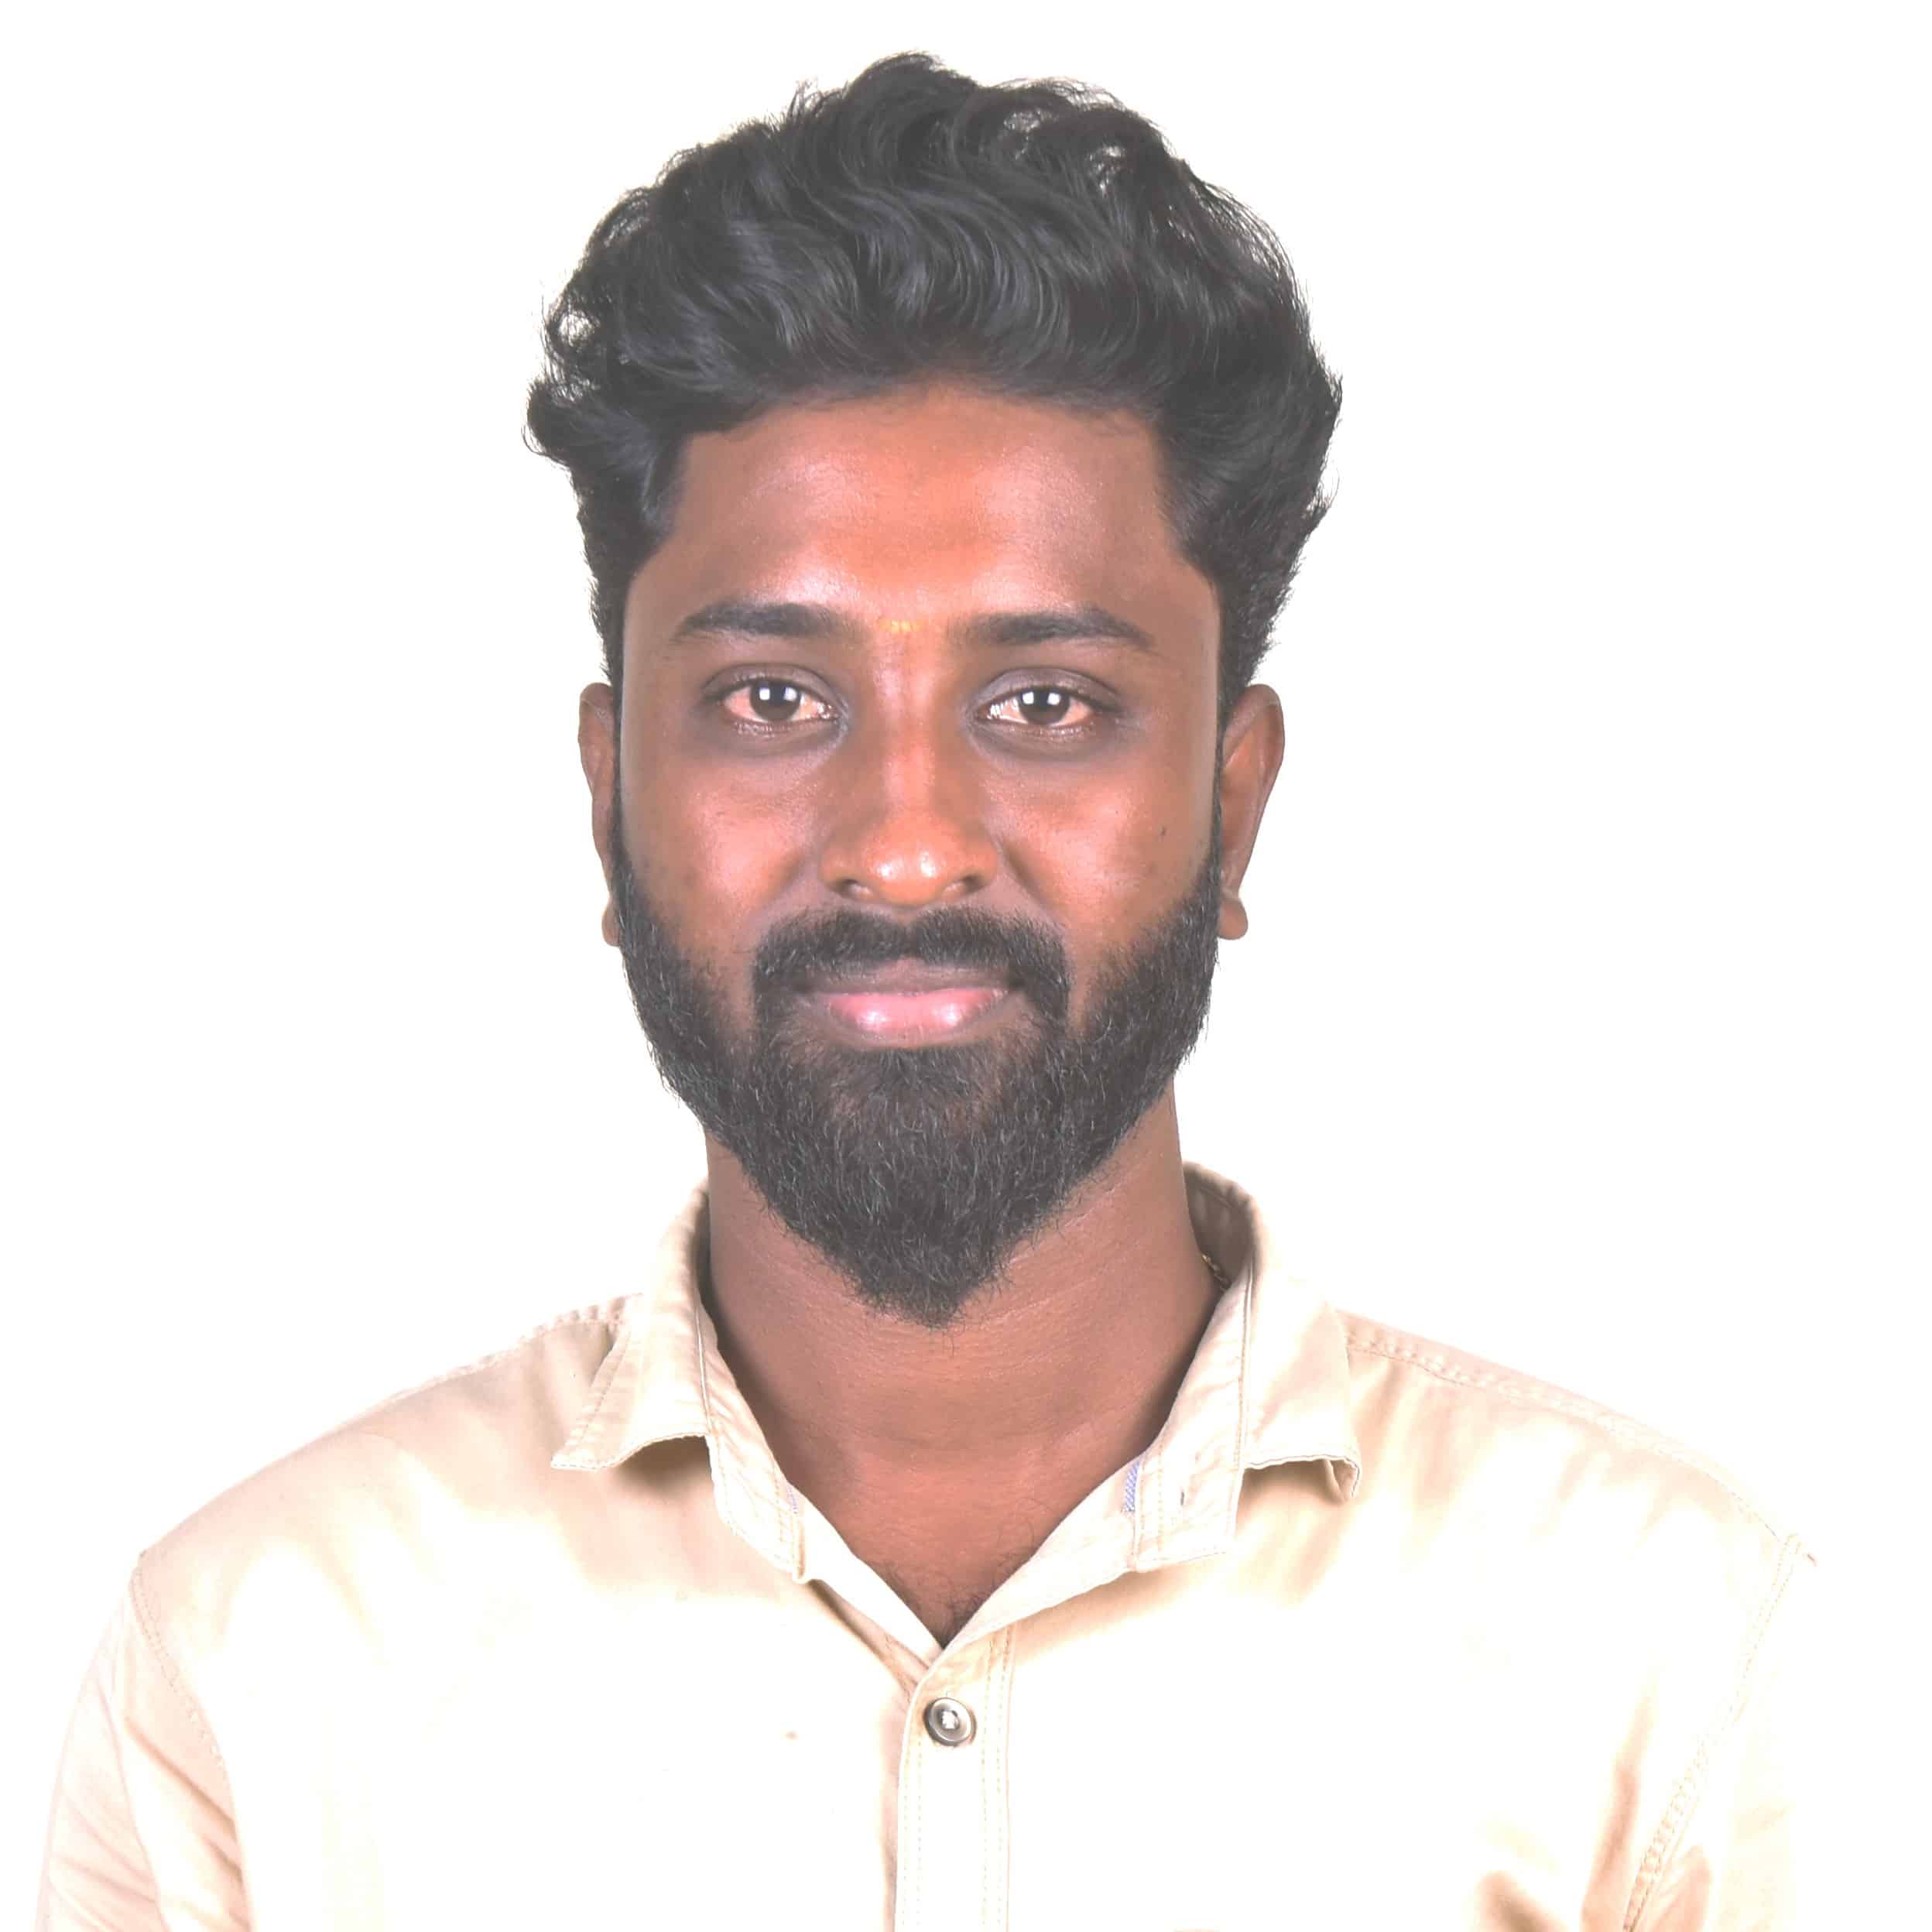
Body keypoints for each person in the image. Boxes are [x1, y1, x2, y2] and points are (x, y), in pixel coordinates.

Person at [37, 51, 1814, 1932]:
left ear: (1233, 800)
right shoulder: (259, 1670)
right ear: (607, 796)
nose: (903, 848)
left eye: (1045, 703)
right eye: (771, 700)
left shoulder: (1673, 1660)